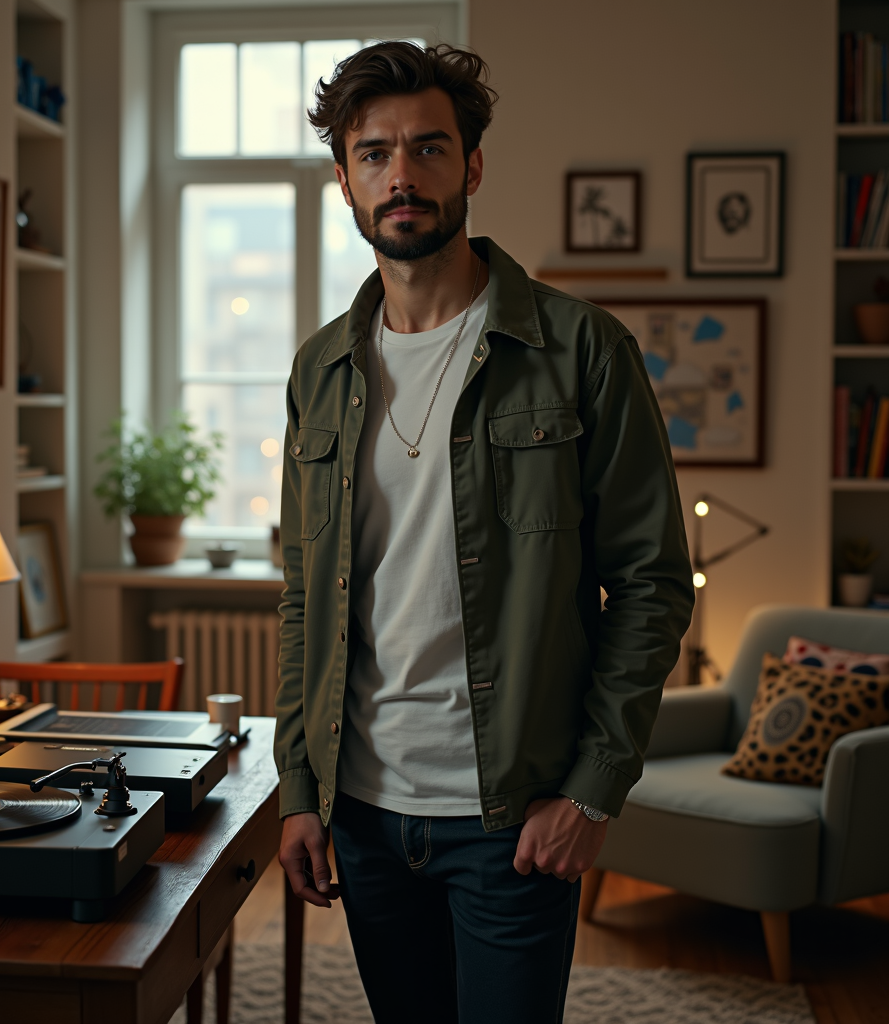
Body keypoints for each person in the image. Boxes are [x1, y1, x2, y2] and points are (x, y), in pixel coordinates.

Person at [275, 41, 693, 1024]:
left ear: (471, 165)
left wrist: (590, 790)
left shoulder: (580, 349)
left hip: (512, 814)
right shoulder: (319, 370)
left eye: (427, 147)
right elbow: (304, 592)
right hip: (367, 812)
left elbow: (651, 582)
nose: (400, 175)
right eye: (373, 153)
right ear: (343, 178)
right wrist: (301, 787)